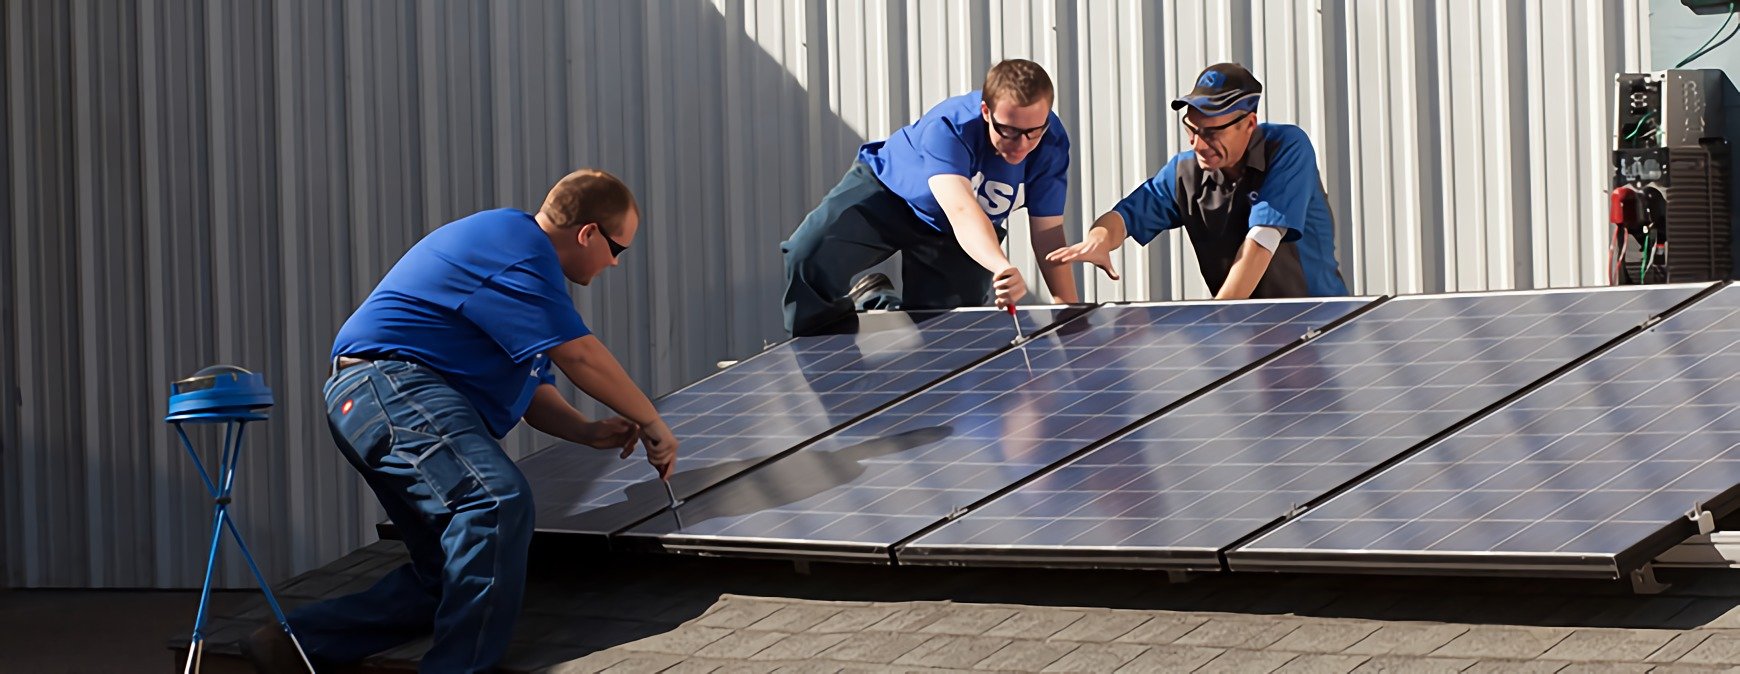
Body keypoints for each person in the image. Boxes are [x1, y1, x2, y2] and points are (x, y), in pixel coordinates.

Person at [242, 169, 680, 673]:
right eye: (618, 249)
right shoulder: (516, 246)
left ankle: (294, 643)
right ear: (587, 233)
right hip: (392, 387)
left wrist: (586, 430)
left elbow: (537, 392)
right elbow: (579, 356)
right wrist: (652, 421)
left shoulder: (522, 276)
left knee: (451, 576)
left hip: (379, 401)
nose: (614, 264)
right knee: (495, 502)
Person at [781, 58, 1081, 336]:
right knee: (807, 254)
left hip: (954, 237)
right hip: (887, 197)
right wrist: (1001, 266)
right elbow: (961, 208)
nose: (1022, 144)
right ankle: (820, 353)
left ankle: (877, 305)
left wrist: (1068, 312)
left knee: (947, 335)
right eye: (1009, 131)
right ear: (986, 111)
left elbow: (1048, 234)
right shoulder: (950, 126)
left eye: (1034, 132)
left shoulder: (1052, 144)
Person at [1049, 62, 1348, 299]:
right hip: (1245, 330)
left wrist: (1219, 319)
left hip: (1315, 323)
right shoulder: (1184, 172)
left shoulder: (1287, 147)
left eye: (1211, 133)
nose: (1198, 144)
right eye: (1191, 129)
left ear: (1249, 125)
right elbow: (1124, 216)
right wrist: (1098, 240)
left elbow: (1262, 240)